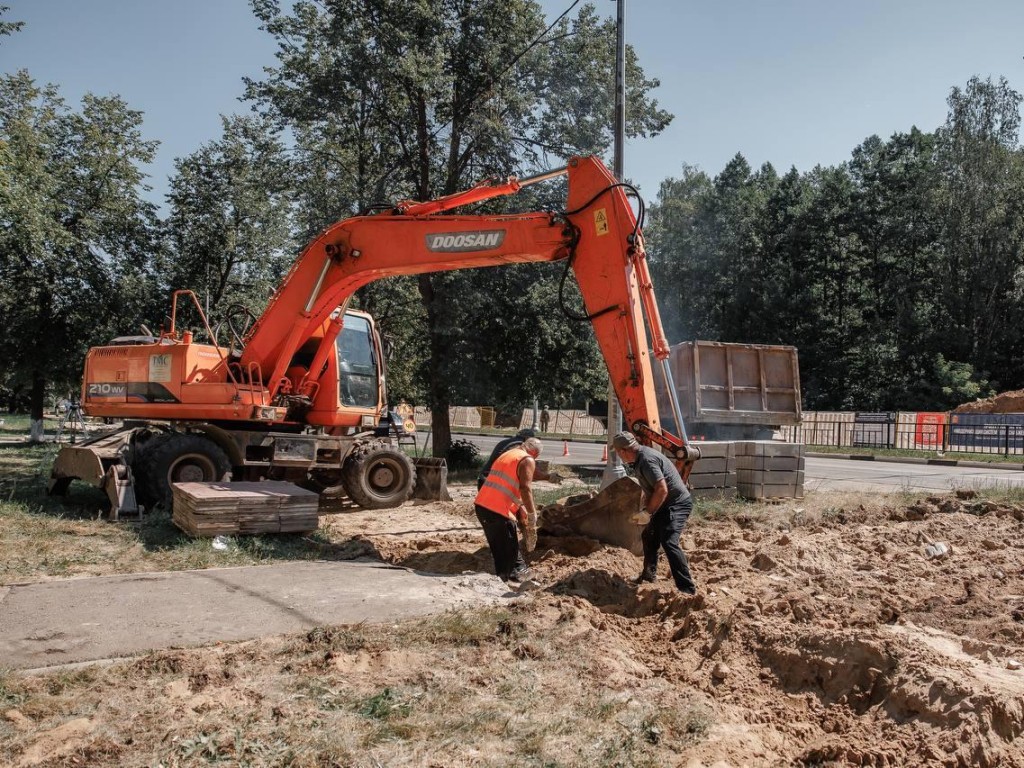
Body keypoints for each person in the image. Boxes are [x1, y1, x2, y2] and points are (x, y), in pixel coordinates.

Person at [612, 430, 697, 595]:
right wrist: (646, 506)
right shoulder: (639, 459)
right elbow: (653, 489)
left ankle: (687, 589)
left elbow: (662, 489)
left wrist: (648, 513)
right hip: (665, 503)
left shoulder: (646, 460)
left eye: (617, 453)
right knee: (649, 535)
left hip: (677, 503)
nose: (619, 456)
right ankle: (648, 576)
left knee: (669, 541)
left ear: (623, 451)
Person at [474, 436, 543, 582]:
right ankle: (510, 578)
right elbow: (525, 488)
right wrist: (531, 513)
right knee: (508, 549)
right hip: (498, 510)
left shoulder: (509, 454)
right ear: (535, 454)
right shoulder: (527, 460)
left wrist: (520, 507)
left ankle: (509, 575)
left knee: (500, 547)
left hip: (483, 506)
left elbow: (510, 483)